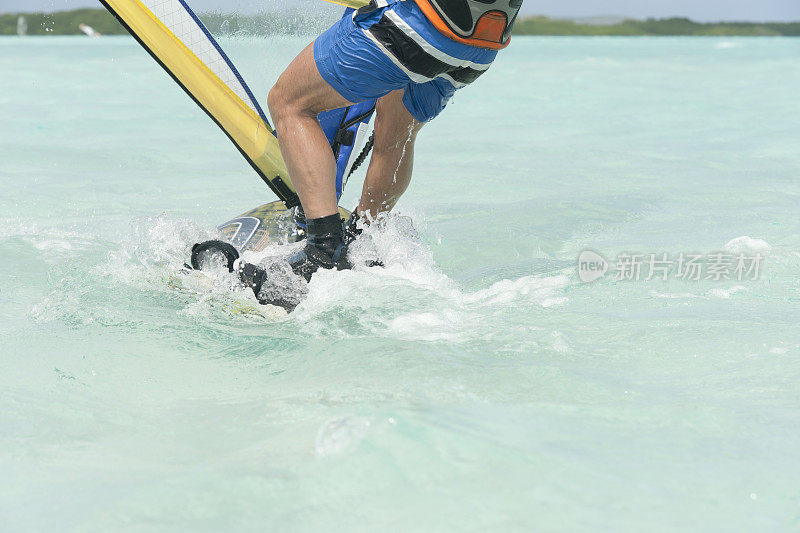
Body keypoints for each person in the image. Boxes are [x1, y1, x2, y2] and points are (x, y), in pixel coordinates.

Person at [268, 0, 523, 282]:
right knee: (397, 135)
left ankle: (322, 250)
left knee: (290, 103)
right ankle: (366, 240)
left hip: (415, 27)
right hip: (479, 49)